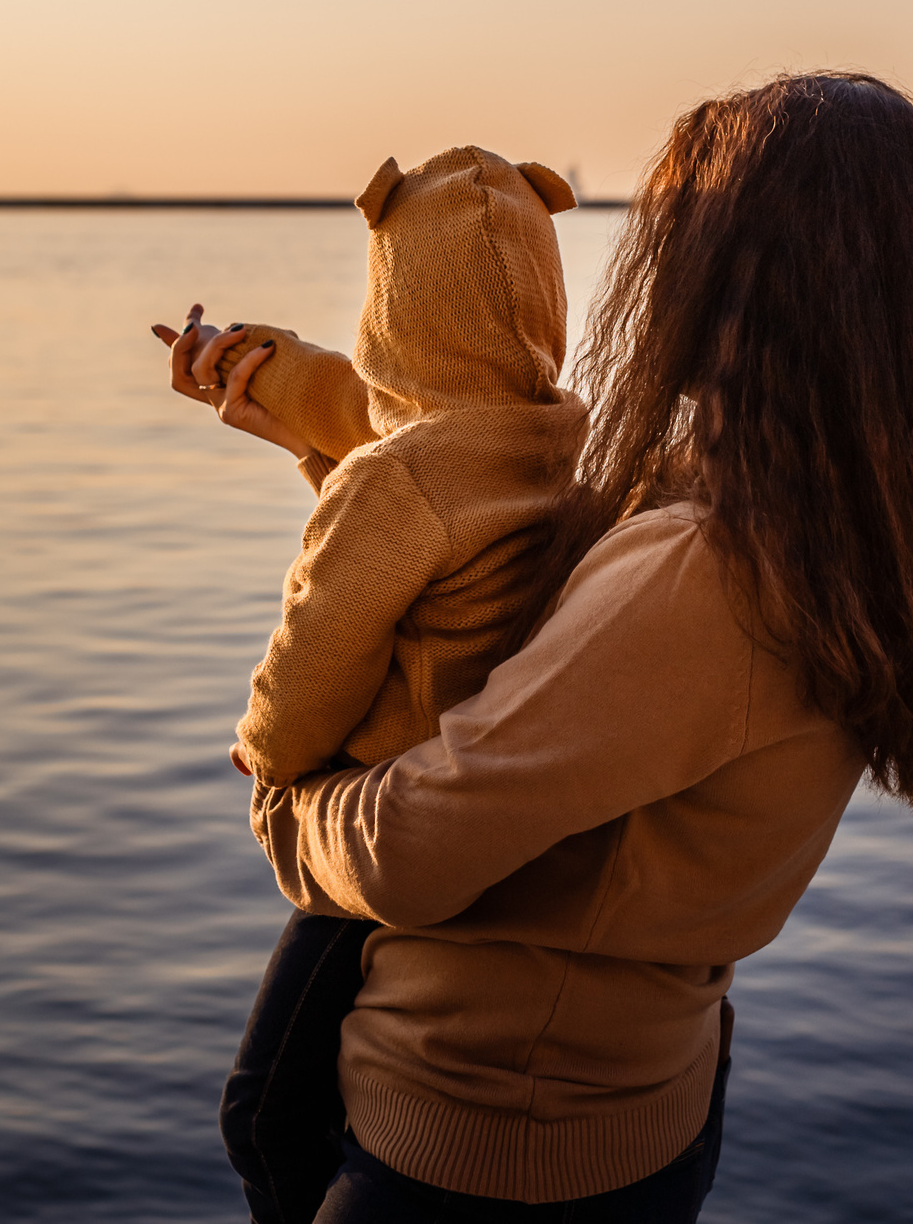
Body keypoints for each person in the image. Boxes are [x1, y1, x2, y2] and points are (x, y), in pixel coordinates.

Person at [161, 73, 913, 1220]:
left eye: (676, 229)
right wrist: (302, 407)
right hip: (631, 1101)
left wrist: (287, 808)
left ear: (743, 276)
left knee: (258, 1123)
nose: (649, 263)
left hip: (480, 1143)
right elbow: (480, 535)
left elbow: (406, 851)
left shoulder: (704, 569)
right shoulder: (834, 524)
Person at [154, 146, 589, 1224]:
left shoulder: (399, 479)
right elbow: (365, 411)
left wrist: (267, 750)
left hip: (378, 808)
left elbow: (324, 634)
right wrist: (246, 363)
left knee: (260, 1114)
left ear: (391, 299)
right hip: (483, 795)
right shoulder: (552, 438)